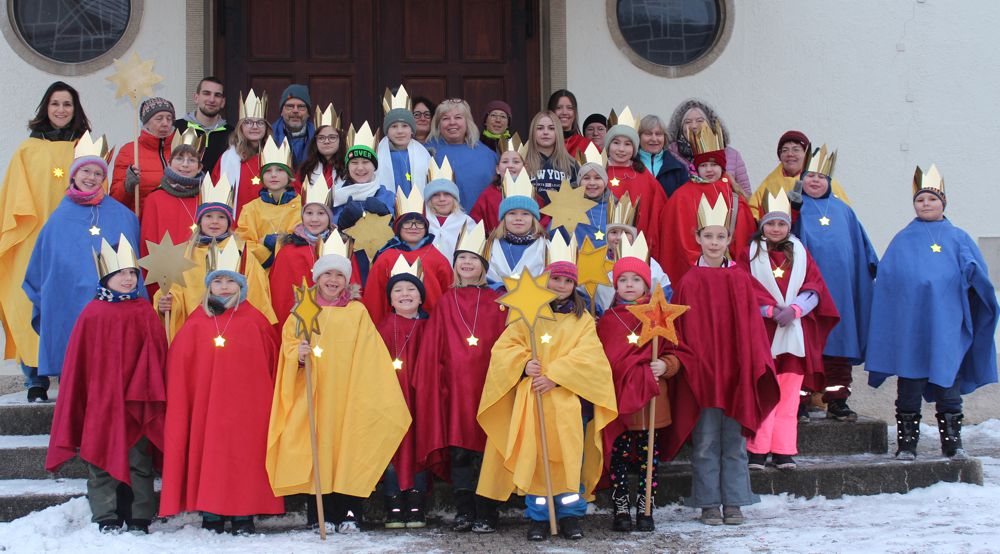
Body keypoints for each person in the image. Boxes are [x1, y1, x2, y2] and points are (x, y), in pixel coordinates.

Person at [266, 233, 410, 533]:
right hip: (315, 395)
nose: (333, 280)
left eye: (339, 275)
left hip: (349, 394)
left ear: (347, 280)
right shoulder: (302, 311)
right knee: (317, 451)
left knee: (350, 450)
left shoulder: (356, 312)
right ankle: (321, 515)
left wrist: (364, 388)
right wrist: (298, 355)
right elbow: (289, 346)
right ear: (317, 277)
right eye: (327, 274)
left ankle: (350, 514)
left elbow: (370, 351)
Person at [477, 234, 617, 541]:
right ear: (546, 279)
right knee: (537, 456)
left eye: (567, 281)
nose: (560, 285)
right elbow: (506, 347)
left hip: (567, 401)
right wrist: (524, 364)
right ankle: (539, 516)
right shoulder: (527, 314)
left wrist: (555, 375)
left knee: (569, 458)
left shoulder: (583, 320)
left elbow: (590, 356)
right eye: (556, 279)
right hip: (534, 398)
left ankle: (569, 515)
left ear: (574, 285)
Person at [866, 166, 998, 460]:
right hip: (911, 325)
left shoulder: (959, 237)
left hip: (947, 324)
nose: (925, 204)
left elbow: (979, 277)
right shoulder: (903, 239)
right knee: (910, 385)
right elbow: (889, 279)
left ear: (943, 203)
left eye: (932, 199)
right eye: (920, 200)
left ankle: (952, 442)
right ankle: (907, 444)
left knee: (948, 384)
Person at [160, 241, 284, 534]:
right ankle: (211, 512)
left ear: (241, 285)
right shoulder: (196, 322)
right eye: (218, 281)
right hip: (207, 406)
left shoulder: (256, 321)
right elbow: (181, 365)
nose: (225, 287)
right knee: (210, 454)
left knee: (245, 456)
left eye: (231, 281)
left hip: (247, 407)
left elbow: (271, 360)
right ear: (209, 285)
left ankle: (244, 513)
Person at [669, 193, 779, 526]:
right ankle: (708, 503)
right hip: (703, 374)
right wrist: (692, 367)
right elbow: (683, 331)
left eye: (720, 236)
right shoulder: (688, 281)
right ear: (697, 238)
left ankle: (734, 502)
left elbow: (751, 327)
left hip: (735, 373)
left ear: (729, 239)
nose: (714, 242)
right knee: (704, 442)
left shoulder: (740, 278)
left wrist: (750, 364)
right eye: (708, 236)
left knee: (734, 442)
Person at [45, 236, 166, 534]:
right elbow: (81, 362)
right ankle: (106, 515)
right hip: (101, 400)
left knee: (139, 459)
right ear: (106, 277)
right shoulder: (92, 313)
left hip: (136, 400)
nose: (128, 279)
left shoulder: (144, 311)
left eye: (132, 273)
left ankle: (139, 515)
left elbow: (156, 355)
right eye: (120, 273)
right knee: (99, 456)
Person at [410, 221, 508, 533]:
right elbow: (434, 345)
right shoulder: (445, 301)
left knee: (488, 450)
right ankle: (465, 509)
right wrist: (433, 381)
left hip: (489, 385)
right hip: (454, 388)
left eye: (473, 259)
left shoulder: (499, 301)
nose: (466, 263)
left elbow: (509, 342)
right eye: (461, 258)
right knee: (460, 450)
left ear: (483, 265)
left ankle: (487, 510)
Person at [24, 133, 141, 387]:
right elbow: (44, 269)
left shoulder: (123, 216)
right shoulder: (58, 219)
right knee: (77, 368)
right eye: (85, 171)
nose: (91, 177)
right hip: (71, 302)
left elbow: (133, 265)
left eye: (98, 173)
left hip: (112, 306)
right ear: (74, 174)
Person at [597, 237, 697, 532]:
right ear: (615, 285)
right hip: (619, 401)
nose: (629, 285)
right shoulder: (608, 320)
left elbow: (677, 352)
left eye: (636, 279)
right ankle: (620, 509)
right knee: (618, 458)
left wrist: (666, 365)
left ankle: (645, 509)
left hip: (653, 400)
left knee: (647, 459)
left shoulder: (660, 316)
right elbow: (602, 358)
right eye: (623, 280)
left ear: (646, 284)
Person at [0, 81, 90, 400]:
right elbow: (15, 198)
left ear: (75, 109)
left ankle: (70, 373)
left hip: (75, 241)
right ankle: (35, 379)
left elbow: (98, 190)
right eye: (55, 104)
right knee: (31, 302)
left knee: (72, 305)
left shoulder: (85, 147)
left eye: (67, 104)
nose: (61, 110)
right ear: (45, 108)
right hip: (34, 240)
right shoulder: (28, 149)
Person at [744, 190, 838, 471]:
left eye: (781, 224)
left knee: (788, 396)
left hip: (793, 333)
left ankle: (783, 450)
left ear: (789, 225)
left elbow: (815, 286)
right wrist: (768, 310)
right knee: (763, 393)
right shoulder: (749, 253)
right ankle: (757, 449)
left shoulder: (800, 252)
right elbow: (743, 288)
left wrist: (796, 309)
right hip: (763, 332)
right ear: (762, 225)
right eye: (771, 224)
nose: (776, 229)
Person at [791, 145, 877, 421]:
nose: (815, 181)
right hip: (805, 293)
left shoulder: (844, 212)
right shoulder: (794, 207)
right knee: (804, 346)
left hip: (840, 292)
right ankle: (800, 400)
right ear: (801, 178)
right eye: (810, 175)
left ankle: (837, 400)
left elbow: (863, 249)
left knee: (838, 345)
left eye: (821, 177)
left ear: (829, 181)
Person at [153, 174, 275, 340]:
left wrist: (253, 326)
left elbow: (256, 290)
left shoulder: (242, 251)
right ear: (200, 220)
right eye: (209, 216)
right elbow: (174, 290)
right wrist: (166, 302)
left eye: (221, 217)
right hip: (197, 330)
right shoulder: (186, 253)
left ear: (229, 222)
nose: (215, 222)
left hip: (236, 327)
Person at [660, 121, 756, 284]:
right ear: (696, 167)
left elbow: (743, 239)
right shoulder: (681, 197)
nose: (709, 170)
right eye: (704, 165)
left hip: (728, 272)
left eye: (714, 164)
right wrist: (701, 266)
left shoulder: (733, 195)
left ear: (723, 166)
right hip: (694, 275)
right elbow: (678, 240)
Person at [376, 257, 430, 529]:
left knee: (419, 448)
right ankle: (394, 505)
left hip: (420, 398)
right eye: (398, 290)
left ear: (421, 298)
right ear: (390, 299)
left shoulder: (430, 327)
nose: (405, 294)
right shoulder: (382, 328)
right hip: (391, 398)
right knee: (393, 449)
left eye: (411, 289)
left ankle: (417, 505)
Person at [268, 174, 360, 326]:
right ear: (302, 216)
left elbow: (353, 289)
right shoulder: (288, 252)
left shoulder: (341, 247)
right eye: (309, 213)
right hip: (298, 324)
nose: (315, 219)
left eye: (321, 213)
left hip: (336, 322)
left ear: (329, 217)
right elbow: (280, 297)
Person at [362, 186, 454, 320]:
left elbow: (449, 295)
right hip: (393, 326)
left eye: (419, 223)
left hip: (432, 324)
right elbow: (375, 298)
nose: (413, 227)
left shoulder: (438, 258)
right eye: (407, 223)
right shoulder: (385, 258)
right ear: (398, 228)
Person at [603, 108, 668, 264]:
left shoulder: (642, 174)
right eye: (616, 143)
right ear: (608, 145)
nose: (621, 149)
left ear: (634, 148)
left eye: (627, 144)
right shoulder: (599, 173)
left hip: (637, 247)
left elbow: (658, 209)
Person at [594, 199, 672, 312]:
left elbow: (663, 293)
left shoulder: (647, 262)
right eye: (614, 232)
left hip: (642, 320)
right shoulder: (597, 262)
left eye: (626, 233)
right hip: (607, 320)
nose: (619, 238)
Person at [235, 137, 301, 270]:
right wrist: (266, 255)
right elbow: (242, 240)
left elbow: (304, 237)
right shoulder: (250, 209)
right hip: (259, 270)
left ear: (289, 176)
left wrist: (280, 244)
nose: (273, 175)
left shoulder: (303, 206)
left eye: (280, 170)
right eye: (268, 171)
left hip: (291, 268)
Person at [750, 130, 851, 216]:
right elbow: (753, 210)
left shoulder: (822, 180)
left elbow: (844, 212)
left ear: (806, 156)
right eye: (785, 150)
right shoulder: (770, 182)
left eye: (796, 150)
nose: (790, 154)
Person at [139, 129, 205, 259]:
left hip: (198, 268)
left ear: (199, 167)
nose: (185, 164)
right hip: (164, 268)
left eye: (192, 160)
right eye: (179, 158)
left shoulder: (206, 198)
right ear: (169, 163)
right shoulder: (155, 199)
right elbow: (147, 243)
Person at [666, 99, 752, 196]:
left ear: (710, 124)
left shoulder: (732, 155)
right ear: (680, 127)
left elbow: (746, 194)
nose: (694, 126)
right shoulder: (670, 156)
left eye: (699, 121)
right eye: (688, 122)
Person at [425, 99, 498, 212]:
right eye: (445, 118)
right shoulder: (426, 152)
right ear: (438, 124)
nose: (452, 122)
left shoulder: (487, 155)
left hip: (481, 219)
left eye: (458, 117)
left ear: (467, 122)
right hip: (439, 220)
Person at [110, 97, 175, 212]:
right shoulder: (129, 151)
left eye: (169, 118)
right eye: (159, 118)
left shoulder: (179, 150)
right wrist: (127, 185)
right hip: (141, 220)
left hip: (173, 219)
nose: (165, 123)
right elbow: (114, 200)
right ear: (146, 123)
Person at [212, 89, 270, 219]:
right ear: (240, 127)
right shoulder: (228, 158)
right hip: (236, 223)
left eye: (260, 122)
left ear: (266, 127)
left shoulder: (276, 156)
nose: (254, 127)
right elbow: (217, 196)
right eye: (248, 122)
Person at [485, 169, 548, 288]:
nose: (518, 218)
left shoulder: (545, 246)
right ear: (504, 218)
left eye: (525, 214)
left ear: (533, 218)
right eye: (512, 213)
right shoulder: (490, 245)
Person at [330, 121, 395, 225]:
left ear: (374, 166)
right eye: (354, 162)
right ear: (348, 167)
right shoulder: (334, 196)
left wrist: (386, 217)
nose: (360, 168)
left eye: (365, 162)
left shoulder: (388, 197)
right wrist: (341, 223)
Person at [469, 134, 535, 234]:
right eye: (505, 161)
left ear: (524, 168)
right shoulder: (487, 195)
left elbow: (542, 224)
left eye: (516, 162)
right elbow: (474, 224)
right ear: (497, 169)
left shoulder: (532, 194)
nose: (510, 165)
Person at [376, 86, 432, 195]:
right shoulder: (378, 154)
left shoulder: (423, 154)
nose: (400, 131)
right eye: (394, 126)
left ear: (412, 130)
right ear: (387, 131)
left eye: (405, 126)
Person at [173, 76, 229, 173]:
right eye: (206, 93)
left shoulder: (232, 134)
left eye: (217, 95)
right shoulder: (176, 128)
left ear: (223, 102)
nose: (212, 99)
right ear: (196, 98)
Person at [424, 158, 476, 261]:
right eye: (435, 195)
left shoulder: (467, 222)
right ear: (429, 200)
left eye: (447, 194)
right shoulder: (421, 221)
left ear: (454, 198)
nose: (442, 199)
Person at [524, 110, 579, 201]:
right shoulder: (523, 163)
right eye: (540, 128)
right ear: (533, 132)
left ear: (558, 132)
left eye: (551, 128)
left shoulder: (572, 164)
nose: (545, 132)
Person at [638, 114, 688, 198]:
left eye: (658, 134)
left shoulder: (678, 169)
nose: (654, 139)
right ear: (639, 137)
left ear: (665, 137)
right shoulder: (630, 165)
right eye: (648, 134)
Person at [572, 143, 611, 247]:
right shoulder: (569, 205)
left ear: (605, 182)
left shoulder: (614, 206)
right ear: (579, 182)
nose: (592, 183)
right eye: (586, 178)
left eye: (597, 178)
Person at [298, 104, 346, 188]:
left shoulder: (350, 167)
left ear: (340, 140)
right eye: (321, 138)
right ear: (315, 141)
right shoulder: (304, 169)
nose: (326, 141)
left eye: (332, 137)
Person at [271, 84, 314, 169]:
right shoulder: (268, 137)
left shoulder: (319, 138)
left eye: (301, 107)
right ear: (281, 112)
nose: (295, 110)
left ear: (308, 113)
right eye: (290, 106)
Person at [547, 89, 593, 157]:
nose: (564, 112)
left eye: (569, 108)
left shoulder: (587, 146)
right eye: (559, 108)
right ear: (551, 111)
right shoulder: (542, 143)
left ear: (575, 112)